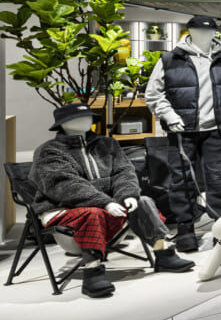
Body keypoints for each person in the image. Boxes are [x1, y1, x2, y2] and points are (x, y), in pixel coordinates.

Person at [29, 104, 194, 298]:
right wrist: (104, 202)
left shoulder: (107, 144)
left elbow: (124, 172)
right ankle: (92, 270)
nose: (86, 121)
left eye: (89, 117)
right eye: (78, 118)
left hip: (109, 204)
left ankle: (164, 253)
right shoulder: (49, 151)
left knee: (143, 201)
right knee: (92, 213)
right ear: (63, 124)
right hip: (62, 208)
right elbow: (65, 185)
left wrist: (127, 195)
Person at [145, 15, 221, 251]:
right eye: (199, 30)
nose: (205, 35)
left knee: (219, 178)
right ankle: (185, 229)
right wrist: (169, 115)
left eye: (210, 31)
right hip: (183, 130)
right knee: (181, 179)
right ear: (189, 31)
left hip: (216, 129)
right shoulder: (171, 59)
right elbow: (153, 93)